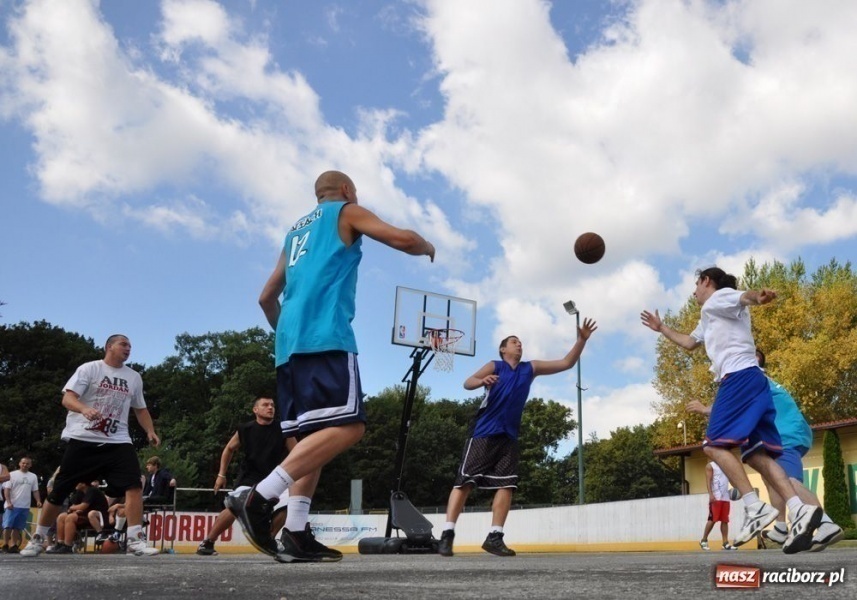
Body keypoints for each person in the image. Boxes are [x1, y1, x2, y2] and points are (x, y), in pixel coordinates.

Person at [227, 170, 435, 563]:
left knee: (313, 442)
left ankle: (296, 532)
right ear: (344, 190)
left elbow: (266, 296)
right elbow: (402, 238)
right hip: (325, 338)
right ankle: (260, 497)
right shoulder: (345, 210)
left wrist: (288, 334)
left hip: (290, 346)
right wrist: (426, 245)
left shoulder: (295, 234)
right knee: (350, 426)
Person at [641, 267, 822, 554]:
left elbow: (742, 298)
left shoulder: (718, 298)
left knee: (712, 446)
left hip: (737, 378)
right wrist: (661, 328)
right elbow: (689, 343)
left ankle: (753, 506)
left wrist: (758, 297)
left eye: (696, 284)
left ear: (707, 281)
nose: (694, 292)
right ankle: (799, 509)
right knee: (757, 455)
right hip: (754, 380)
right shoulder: (710, 315)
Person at [438, 322, 597, 558]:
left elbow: (566, 363)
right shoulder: (496, 366)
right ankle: (448, 533)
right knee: (465, 482)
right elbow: (467, 382)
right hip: (483, 432)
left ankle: (495, 536)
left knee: (507, 484)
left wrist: (582, 340)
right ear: (503, 349)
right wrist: (482, 381)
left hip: (509, 435)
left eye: (520, 342)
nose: (519, 344)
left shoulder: (529, 368)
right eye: (514, 342)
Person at [687, 348, 844, 552]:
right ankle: (780, 527)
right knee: (769, 474)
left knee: (788, 480)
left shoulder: (750, 376)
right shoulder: (762, 380)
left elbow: (732, 407)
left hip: (786, 433)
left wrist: (705, 409)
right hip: (789, 431)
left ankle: (825, 523)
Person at [20, 334, 161, 557]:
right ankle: (38, 538)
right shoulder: (89, 369)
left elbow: (140, 409)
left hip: (118, 441)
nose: (128, 348)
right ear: (109, 347)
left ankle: (135, 539)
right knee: (58, 492)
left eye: (130, 346)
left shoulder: (133, 377)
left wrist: (150, 430)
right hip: (84, 439)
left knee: (134, 485)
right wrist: (84, 409)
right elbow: (67, 399)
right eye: (123, 344)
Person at [197, 397, 335, 559]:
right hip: (249, 478)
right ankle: (208, 542)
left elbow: (298, 454)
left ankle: (267, 541)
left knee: (291, 503)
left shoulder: (283, 429)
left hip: (275, 479)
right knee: (234, 508)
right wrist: (221, 474)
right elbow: (229, 449)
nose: (270, 408)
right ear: (255, 410)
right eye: (265, 405)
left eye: (272, 405)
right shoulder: (245, 429)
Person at [45, 480, 109, 554]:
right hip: (84, 514)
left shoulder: (92, 490)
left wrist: (74, 509)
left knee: (71, 517)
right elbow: (73, 506)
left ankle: (68, 546)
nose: (74, 484)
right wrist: (75, 509)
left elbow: (83, 506)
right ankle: (60, 544)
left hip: (97, 516)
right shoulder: (79, 492)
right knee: (61, 516)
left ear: (83, 483)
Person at [2, 457, 41, 553]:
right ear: (19, 463)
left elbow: (35, 490)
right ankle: (5, 544)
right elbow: (7, 489)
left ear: (30, 465)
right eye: (23, 463)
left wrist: (38, 500)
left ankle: (13, 545)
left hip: (25, 506)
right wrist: (9, 502)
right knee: (7, 526)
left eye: (27, 463)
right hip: (12, 505)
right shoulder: (12, 474)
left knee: (17, 527)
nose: (25, 465)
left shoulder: (33, 476)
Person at [698, 461, 736, 551]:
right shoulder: (710, 466)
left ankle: (725, 543)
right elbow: (708, 481)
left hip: (725, 497)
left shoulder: (725, 465)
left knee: (725, 520)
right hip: (716, 497)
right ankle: (704, 540)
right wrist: (711, 494)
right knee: (712, 519)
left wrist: (738, 489)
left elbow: (731, 479)